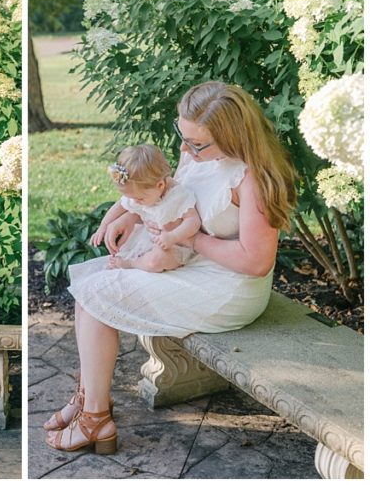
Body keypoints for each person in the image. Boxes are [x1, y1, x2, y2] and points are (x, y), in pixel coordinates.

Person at [44, 81, 297, 454]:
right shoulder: (196, 156)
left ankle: (96, 418)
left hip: (228, 285)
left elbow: (256, 262)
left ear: (232, 136)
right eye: (183, 136)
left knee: (99, 292)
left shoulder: (252, 177)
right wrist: (132, 217)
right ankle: (90, 400)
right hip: (188, 262)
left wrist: (189, 240)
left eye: (196, 143)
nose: (184, 148)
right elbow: (169, 197)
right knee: (93, 285)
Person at [91, 144, 201, 273]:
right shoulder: (143, 192)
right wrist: (103, 226)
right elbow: (120, 205)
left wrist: (173, 236)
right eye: (130, 197)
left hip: (176, 245)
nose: (135, 202)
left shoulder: (177, 195)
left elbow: (193, 221)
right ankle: (136, 259)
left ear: (160, 185)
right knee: (126, 248)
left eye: (141, 199)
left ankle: (132, 263)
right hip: (149, 238)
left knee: (155, 261)